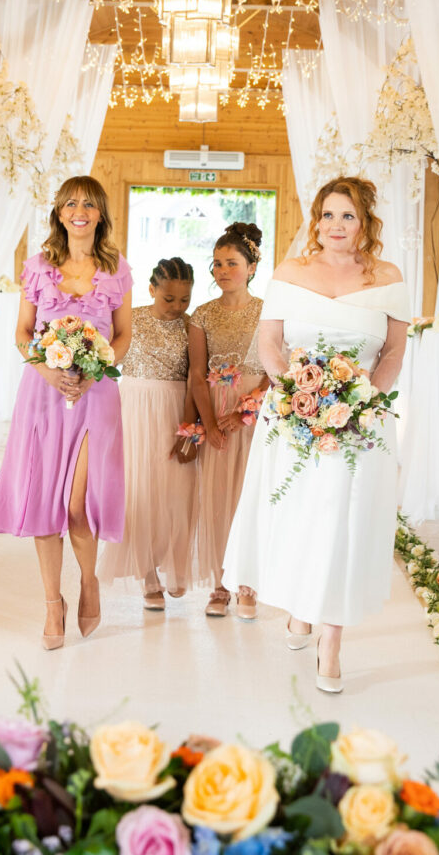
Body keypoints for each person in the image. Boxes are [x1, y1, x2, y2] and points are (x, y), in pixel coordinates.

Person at [222, 177, 408, 694]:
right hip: (294, 418)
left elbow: (391, 353)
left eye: (347, 216)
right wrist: (300, 397)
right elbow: (271, 344)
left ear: (365, 222)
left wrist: (358, 400)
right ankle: (301, 607)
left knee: (343, 522)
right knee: (302, 516)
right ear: (316, 221)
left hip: (360, 421)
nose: (336, 226)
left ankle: (331, 638)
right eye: (328, 215)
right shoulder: (290, 272)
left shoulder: (388, 277)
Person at [0, 176, 134, 649]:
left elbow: (124, 335)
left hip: (96, 394)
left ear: (100, 214)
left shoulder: (117, 270)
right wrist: (48, 372)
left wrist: (95, 372)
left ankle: (88, 581)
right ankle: (53, 603)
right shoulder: (38, 267)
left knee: (76, 504)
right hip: (43, 393)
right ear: (58, 212)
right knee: (45, 504)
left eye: (89, 204)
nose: (79, 211)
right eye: (71, 203)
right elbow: (23, 332)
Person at [97, 257, 198, 609]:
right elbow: (104, 360)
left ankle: (175, 563)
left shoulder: (191, 326)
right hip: (134, 410)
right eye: (168, 299)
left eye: (184, 300)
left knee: (177, 490)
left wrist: (191, 428)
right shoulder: (132, 320)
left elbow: (196, 379)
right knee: (140, 489)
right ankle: (148, 575)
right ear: (152, 290)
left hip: (175, 410)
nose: (177, 307)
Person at [188, 223, 269, 619]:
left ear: (252, 267)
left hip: (257, 413)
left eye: (232, 263)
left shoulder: (269, 312)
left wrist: (250, 406)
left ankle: (248, 583)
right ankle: (219, 584)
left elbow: (277, 368)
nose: (222, 270)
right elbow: (196, 373)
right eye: (217, 263)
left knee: (249, 498)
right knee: (218, 500)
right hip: (216, 411)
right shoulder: (202, 315)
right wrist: (212, 423)